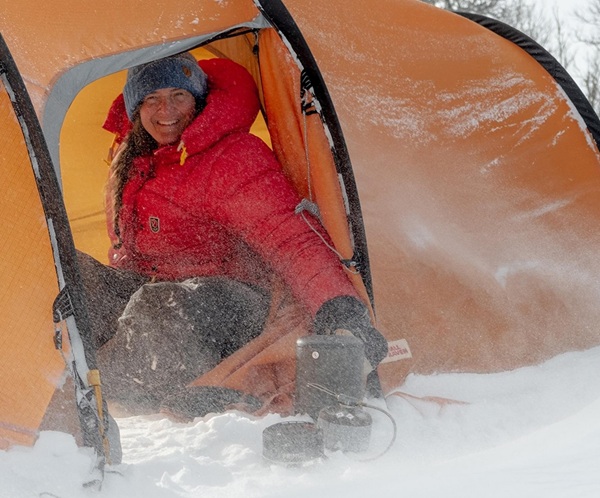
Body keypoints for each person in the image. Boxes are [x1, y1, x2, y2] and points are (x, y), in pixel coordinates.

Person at [81, 52, 387, 417]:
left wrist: (339, 309)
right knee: (71, 272)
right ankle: (60, 374)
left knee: (160, 305)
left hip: (235, 304)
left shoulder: (231, 157)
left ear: (199, 99)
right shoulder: (134, 160)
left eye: (179, 95)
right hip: (159, 295)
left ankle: (87, 385)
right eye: (151, 98)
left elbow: (291, 239)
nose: (166, 109)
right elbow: (127, 256)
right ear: (136, 107)